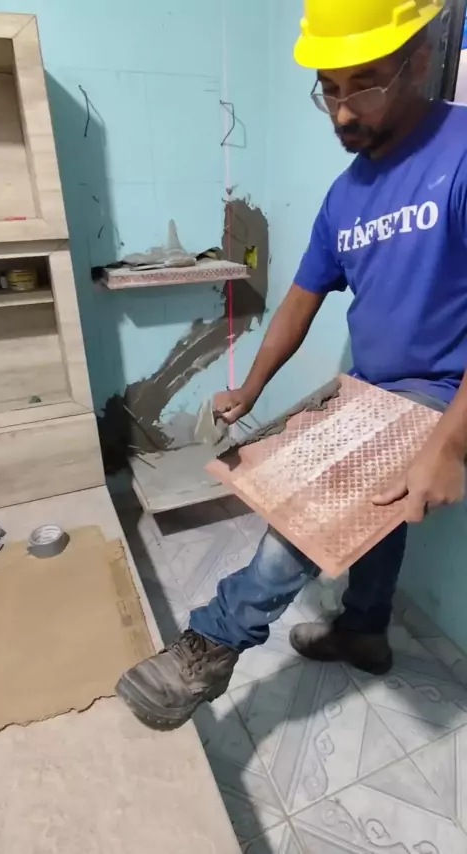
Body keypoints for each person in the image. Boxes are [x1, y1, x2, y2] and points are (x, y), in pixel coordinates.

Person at [117, 0, 467, 731]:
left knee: (317, 499)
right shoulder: (346, 196)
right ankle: (363, 632)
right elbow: (302, 298)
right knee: (373, 506)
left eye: (364, 85)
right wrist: (250, 388)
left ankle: (211, 644)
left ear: (421, 60)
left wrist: (451, 443)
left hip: (447, 392)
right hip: (378, 387)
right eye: (328, 90)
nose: (342, 112)